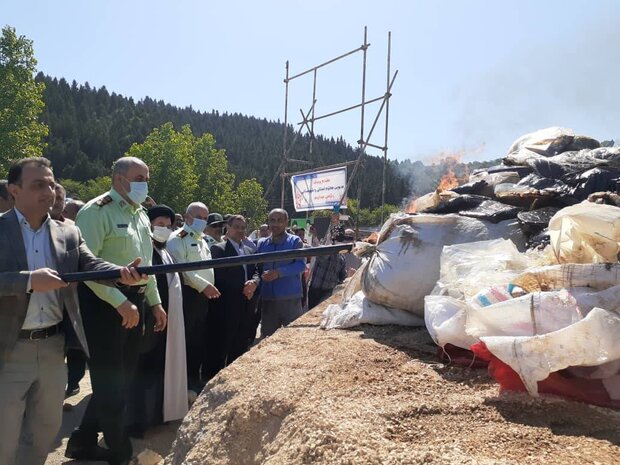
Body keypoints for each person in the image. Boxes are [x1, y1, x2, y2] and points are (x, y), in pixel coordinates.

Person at [0, 157, 145, 465]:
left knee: (44, 429)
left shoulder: (68, 233)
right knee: (4, 433)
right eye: (38, 184)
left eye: (51, 184)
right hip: (9, 349)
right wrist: (27, 281)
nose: (48, 191)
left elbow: (90, 265)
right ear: (14, 190)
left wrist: (119, 273)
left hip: (54, 348)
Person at [66, 157, 167, 465]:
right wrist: (120, 303)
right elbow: (88, 268)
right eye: (139, 177)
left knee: (120, 379)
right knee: (111, 384)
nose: (144, 184)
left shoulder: (139, 214)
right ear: (120, 179)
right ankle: (121, 454)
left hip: (135, 303)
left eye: (146, 178)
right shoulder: (96, 212)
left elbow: (145, 267)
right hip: (105, 305)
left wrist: (156, 303)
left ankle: (83, 442)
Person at [129, 205, 188, 437]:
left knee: (159, 369)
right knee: (143, 370)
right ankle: (137, 421)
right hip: (148, 320)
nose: (163, 229)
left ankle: (157, 414)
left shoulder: (165, 251)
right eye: (159, 224)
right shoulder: (144, 249)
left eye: (167, 225)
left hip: (166, 321)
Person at [167, 202, 220, 394]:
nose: (203, 221)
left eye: (205, 218)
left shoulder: (202, 239)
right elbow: (182, 268)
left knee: (198, 340)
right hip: (188, 295)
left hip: (203, 297)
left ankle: (193, 379)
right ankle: (183, 384)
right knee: (186, 340)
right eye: (199, 216)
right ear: (187, 217)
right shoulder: (177, 238)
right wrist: (203, 285)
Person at [208, 215, 259, 375]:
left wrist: (254, 283)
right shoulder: (219, 249)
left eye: (243, 228)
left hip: (246, 304)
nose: (240, 231)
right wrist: (241, 288)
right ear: (228, 228)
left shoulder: (250, 249)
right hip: (226, 306)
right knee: (221, 345)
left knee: (240, 344)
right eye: (237, 227)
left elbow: (257, 270)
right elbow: (220, 277)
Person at [256, 209, 306, 338]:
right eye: (272, 220)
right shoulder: (262, 243)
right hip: (268, 299)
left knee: (293, 339)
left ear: (286, 222)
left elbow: (301, 265)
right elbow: (257, 267)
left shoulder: (295, 241)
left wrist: (279, 273)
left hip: (290, 299)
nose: (275, 224)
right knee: (268, 339)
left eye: (279, 220)